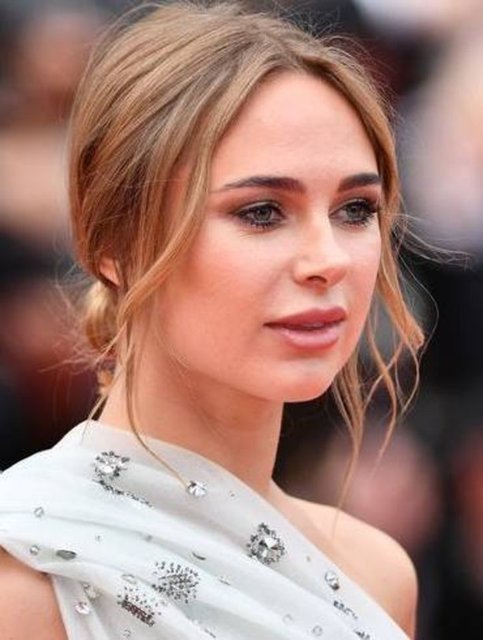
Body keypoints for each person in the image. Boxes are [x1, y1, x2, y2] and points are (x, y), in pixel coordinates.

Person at [0, 2, 424, 638]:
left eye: (355, 209)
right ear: (115, 242)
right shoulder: (26, 577)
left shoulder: (379, 574)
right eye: (261, 212)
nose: (329, 260)